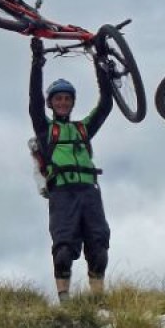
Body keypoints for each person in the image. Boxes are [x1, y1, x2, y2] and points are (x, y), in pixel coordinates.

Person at [29, 36, 114, 302]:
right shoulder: (46, 130)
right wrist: (37, 63)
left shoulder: (82, 129)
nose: (63, 102)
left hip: (89, 191)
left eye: (67, 98)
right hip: (62, 193)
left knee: (99, 247)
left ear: (72, 102)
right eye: (58, 99)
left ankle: (97, 300)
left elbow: (106, 104)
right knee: (64, 249)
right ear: (51, 103)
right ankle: (65, 301)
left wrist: (100, 63)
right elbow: (33, 100)